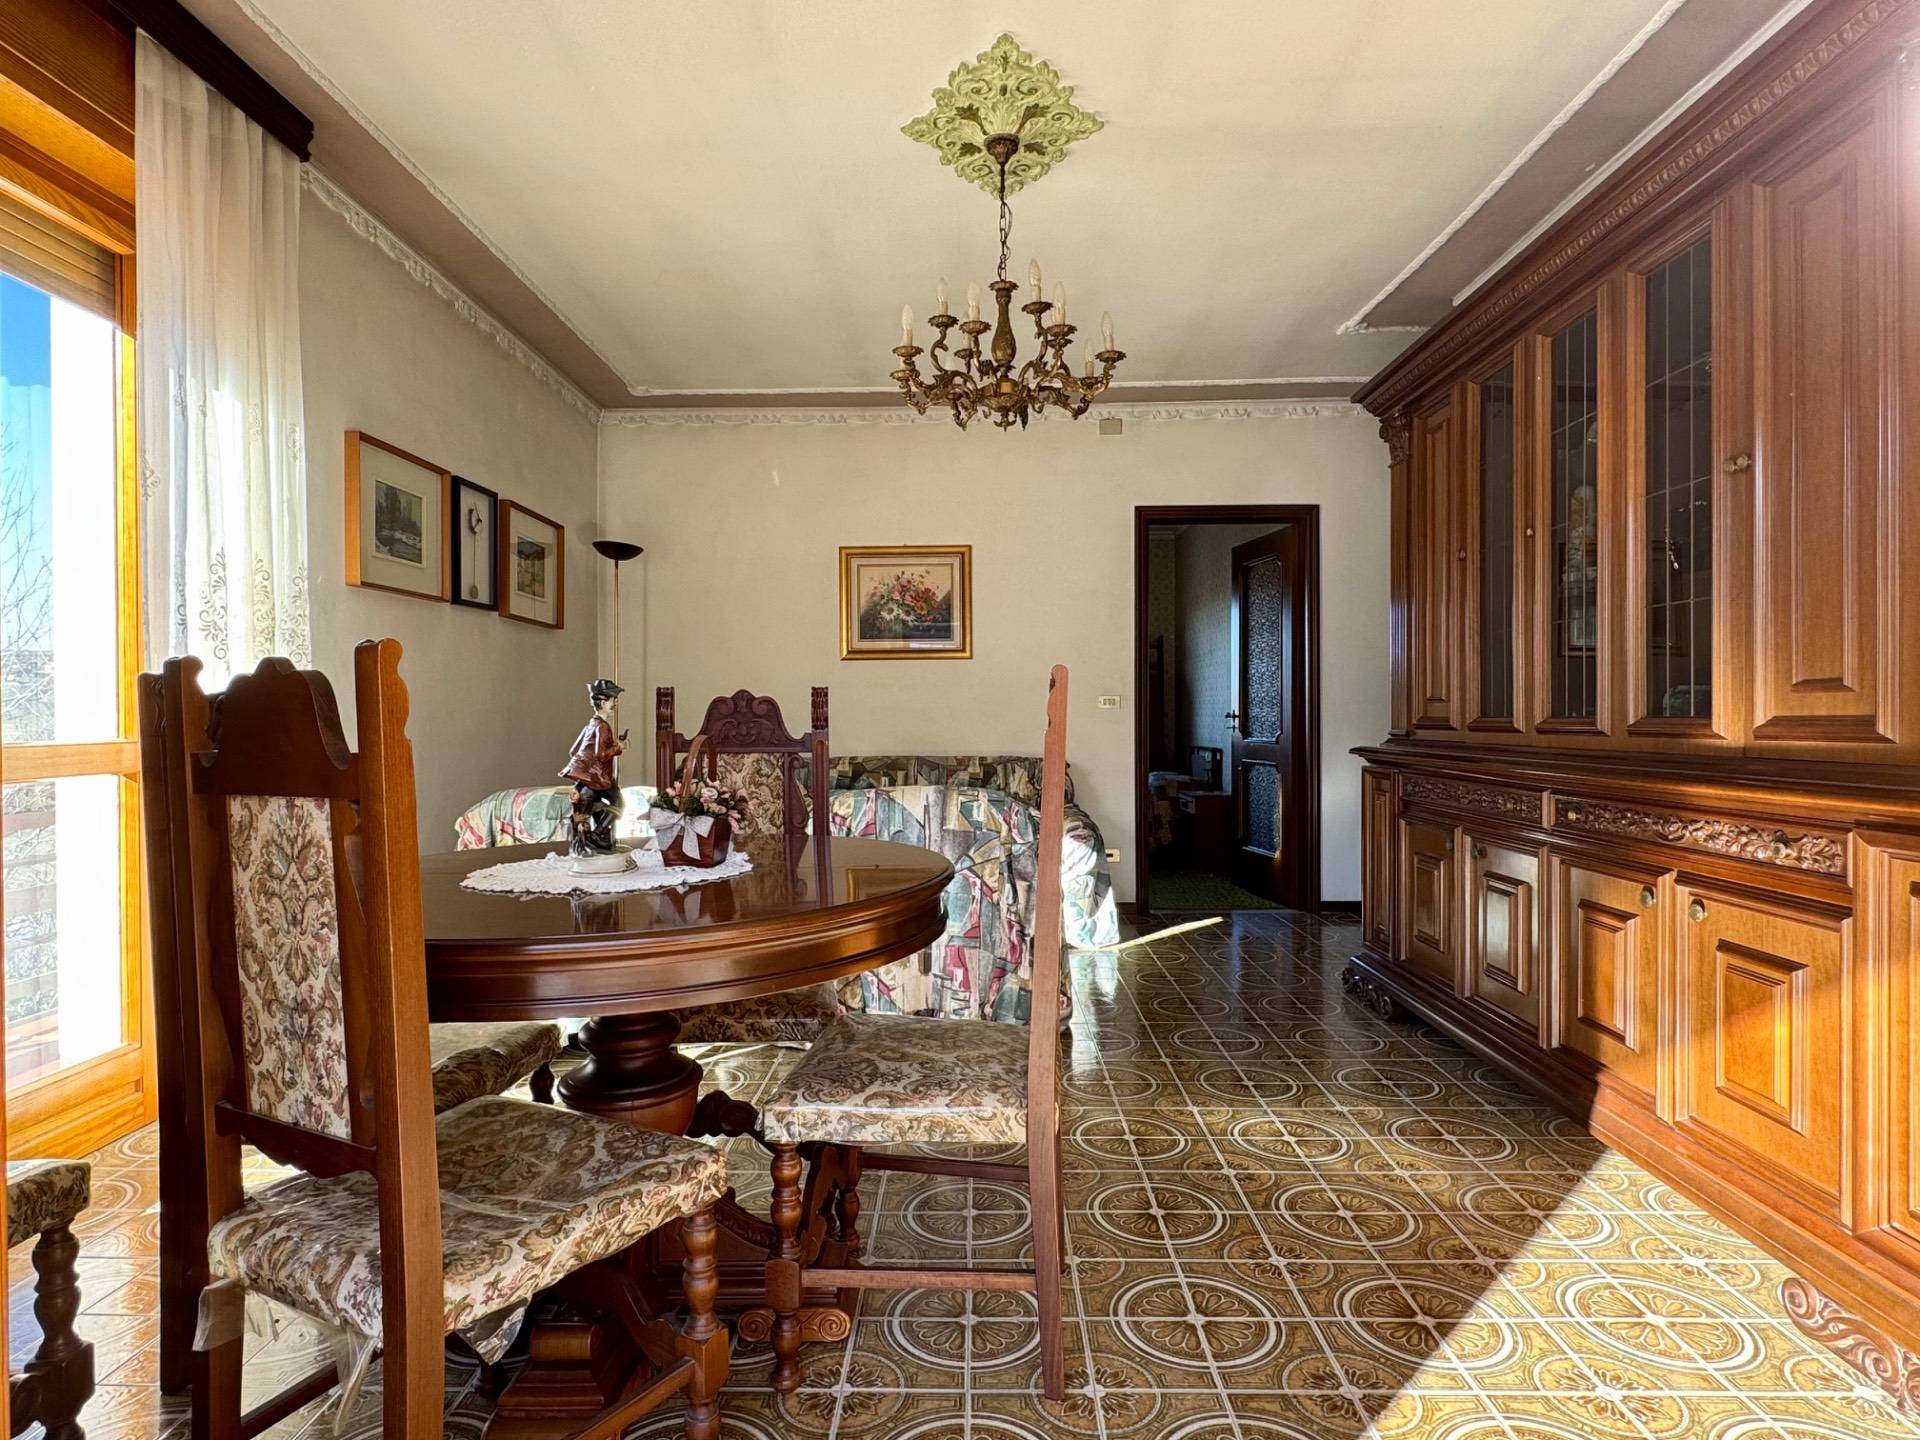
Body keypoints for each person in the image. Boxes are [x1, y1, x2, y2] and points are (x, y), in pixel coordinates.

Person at [561, 678, 627, 854]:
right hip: (597, 778)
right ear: (603, 703)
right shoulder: (603, 727)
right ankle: (597, 835)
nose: (615, 704)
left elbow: (574, 751)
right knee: (618, 802)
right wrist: (619, 747)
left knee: (597, 806)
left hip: (586, 778)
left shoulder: (591, 724)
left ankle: (600, 838)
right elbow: (601, 754)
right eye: (613, 700)